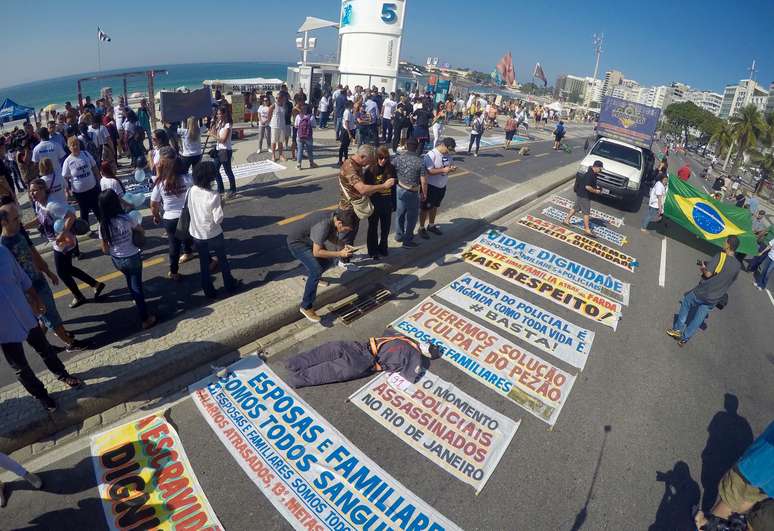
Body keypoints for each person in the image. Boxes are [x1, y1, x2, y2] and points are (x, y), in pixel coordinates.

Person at [0, 244, 85, 411]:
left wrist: (36, 298)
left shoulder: (3, 250)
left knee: (45, 349)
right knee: (20, 367)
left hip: (25, 313)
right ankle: (42, 396)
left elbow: (21, 277)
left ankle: (63, 375)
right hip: (4, 328)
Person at [0, 200, 87, 352]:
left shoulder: (18, 232)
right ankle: (70, 343)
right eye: (15, 219)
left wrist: (48, 272)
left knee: (45, 315)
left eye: (18, 217)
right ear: (3, 222)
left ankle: (44, 345)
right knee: (50, 316)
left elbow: (32, 254)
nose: (19, 221)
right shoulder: (4, 245)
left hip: (39, 279)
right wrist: (31, 296)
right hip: (29, 288)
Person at [28, 179, 105, 308]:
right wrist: (25, 225)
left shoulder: (52, 205)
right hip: (57, 241)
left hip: (65, 242)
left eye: (35, 190)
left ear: (44, 190)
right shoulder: (39, 203)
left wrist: (62, 233)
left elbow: (71, 216)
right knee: (67, 269)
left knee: (62, 272)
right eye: (31, 191)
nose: (32, 193)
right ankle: (95, 285)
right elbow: (40, 218)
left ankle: (79, 295)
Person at [694, 419, 774, 530]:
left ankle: (708, 524)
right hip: (768, 483)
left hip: (757, 468)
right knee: (744, 506)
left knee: (728, 506)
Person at [285, 334, 442, 388]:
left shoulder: (403, 337)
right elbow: (409, 377)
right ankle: (295, 379)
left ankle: (292, 363)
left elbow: (386, 332)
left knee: (323, 352)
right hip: (363, 363)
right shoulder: (416, 358)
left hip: (356, 346)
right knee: (328, 371)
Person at [666, 236, 741, 346]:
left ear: (729, 245)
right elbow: (731, 281)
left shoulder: (721, 256)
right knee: (699, 318)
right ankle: (684, 338)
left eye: (725, 241)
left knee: (686, 301)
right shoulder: (737, 265)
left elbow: (708, 274)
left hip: (703, 292)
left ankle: (677, 330)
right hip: (715, 298)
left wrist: (703, 267)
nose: (724, 243)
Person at [97, 190, 156, 330]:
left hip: (117, 260)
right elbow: (142, 231)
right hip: (132, 257)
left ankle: (136, 299)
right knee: (137, 286)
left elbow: (104, 250)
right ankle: (145, 318)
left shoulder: (103, 225)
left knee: (129, 280)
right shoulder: (127, 218)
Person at [287, 209, 357, 322]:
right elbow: (317, 252)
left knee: (328, 261)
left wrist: (342, 245)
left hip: (308, 238)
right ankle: (306, 306)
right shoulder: (323, 225)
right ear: (339, 223)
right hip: (297, 243)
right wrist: (340, 253)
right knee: (316, 269)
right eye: (345, 230)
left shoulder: (334, 216)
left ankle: (314, 278)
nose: (345, 232)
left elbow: (330, 236)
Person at [188, 161, 240, 298]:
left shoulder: (192, 190)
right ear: (210, 178)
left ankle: (208, 290)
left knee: (204, 262)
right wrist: (223, 203)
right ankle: (230, 284)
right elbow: (218, 219)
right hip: (213, 233)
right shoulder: (213, 195)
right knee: (223, 260)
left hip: (197, 233)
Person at [338, 144, 393, 270]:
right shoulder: (350, 167)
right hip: (347, 208)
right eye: (368, 161)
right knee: (346, 235)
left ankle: (347, 256)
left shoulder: (357, 165)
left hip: (355, 207)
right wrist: (383, 186)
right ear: (362, 156)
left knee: (351, 234)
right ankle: (343, 261)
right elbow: (362, 189)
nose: (369, 164)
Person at [151, 148, 195, 280]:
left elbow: (154, 205)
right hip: (187, 215)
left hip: (170, 218)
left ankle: (174, 271)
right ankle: (208, 261)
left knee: (174, 246)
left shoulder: (160, 184)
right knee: (195, 239)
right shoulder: (188, 179)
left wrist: (156, 216)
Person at [393, 137, 428, 248]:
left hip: (399, 189)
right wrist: (424, 193)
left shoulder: (398, 159)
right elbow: (424, 180)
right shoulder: (420, 162)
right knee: (412, 217)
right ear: (417, 147)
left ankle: (399, 235)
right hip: (412, 192)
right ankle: (407, 240)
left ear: (406, 146)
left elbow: (391, 170)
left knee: (400, 214)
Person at [418, 137, 455, 239]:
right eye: (448, 150)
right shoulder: (431, 155)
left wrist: (451, 168)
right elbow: (429, 171)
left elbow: (450, 164)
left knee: (435, 206)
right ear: (443, 145)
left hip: (441, 186)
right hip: (431, 187)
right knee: (425, 208)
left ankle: (431, 225)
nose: (448, 152)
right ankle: (421, 227)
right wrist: (444, 170)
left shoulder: (447, 154)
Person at [62, 135, 101, 227]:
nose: (75, 147)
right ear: (69, 147)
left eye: (77, 144)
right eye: (73, 145)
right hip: (79, 193)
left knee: (97, 208)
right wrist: (67, 191)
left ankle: (103, 226)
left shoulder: (86, 154)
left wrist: (99, 180)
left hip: (92, 188)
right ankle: (86, 229)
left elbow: (94, 167)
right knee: (84, 211)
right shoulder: (68, 161)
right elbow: (65, 178)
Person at [364, 146, 396, 259]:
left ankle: (383, 247)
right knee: (373, 228)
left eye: (386, 158)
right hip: (374, 204)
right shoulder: (370, 170)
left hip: (387, 203)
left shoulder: (391, 168)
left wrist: (394, 203)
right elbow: (367, 189)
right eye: (381, 158)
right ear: (376, 158)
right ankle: (372, 251)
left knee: (385, 228)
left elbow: (393, 188)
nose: (383, 160)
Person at [564, 160, 604, 237]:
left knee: (576, 208)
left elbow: (589, 184)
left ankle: (566, 220)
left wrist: (597, 187)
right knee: (586, 213)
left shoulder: (592, 173)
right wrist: (596, 191)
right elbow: (587, 186)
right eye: (600, 168)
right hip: (584, 195)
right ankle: (587, 229)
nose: (601, 170)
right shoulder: (590, 174)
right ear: (596, 167)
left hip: (581, 193)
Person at [212, 106, 237, 198]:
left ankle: (233, 190)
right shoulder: (219, 123)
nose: (218, 115)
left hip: (225, 150)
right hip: (218, 150)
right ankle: (220, 189)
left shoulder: (228, 125)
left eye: (220, 114)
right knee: (215, 170)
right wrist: (213, 125)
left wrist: (212, 135)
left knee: (228, 171)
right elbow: (214, 133)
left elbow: (223, 140)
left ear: (224, 114)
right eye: (217, 114)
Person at [295, 104, 318, 170]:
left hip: (299, 136)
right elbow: (314, 126)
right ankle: (311, 163)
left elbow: (296, 125)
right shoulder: (311, 116)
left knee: (300, 150)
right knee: (309, 151)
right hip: (308, 136)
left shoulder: (298, 116)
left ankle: (299, 165)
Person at [268, 92, 288, 162]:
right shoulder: (273, 106)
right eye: (276, 98)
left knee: (280, 142)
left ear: (282, 98)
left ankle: (280, 155)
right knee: (273, 141)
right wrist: (269, 122)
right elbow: (269, 114)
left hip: (282, 126)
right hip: (274, 126)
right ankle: (273, 155)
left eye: (279, 98)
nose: (277, 99)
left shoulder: (284, 105)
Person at [338, 100, 355, 166]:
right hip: (346, 131)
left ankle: (346, 158)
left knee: (346, 146)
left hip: (349, 130)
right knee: (343, 146)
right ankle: (340, 160)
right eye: (352, 105)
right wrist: (349, 134)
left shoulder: (350, 112)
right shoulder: (347, 112)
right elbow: (346, 123)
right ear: (349, 105)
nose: (353, 105)